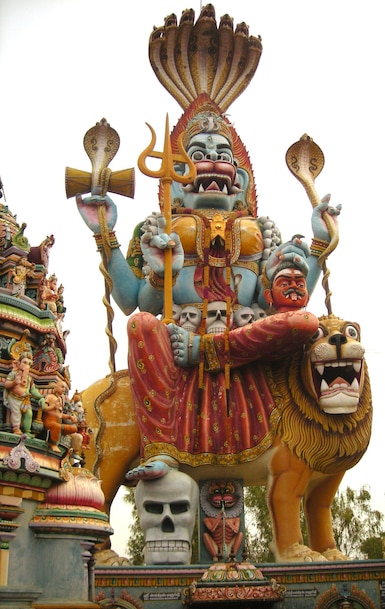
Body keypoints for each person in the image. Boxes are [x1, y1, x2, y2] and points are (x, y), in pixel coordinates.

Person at [75, 99, 340, 474]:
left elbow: (289, 299)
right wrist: (111, 237)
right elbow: (133, 301)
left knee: (304, 325)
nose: (213, 161)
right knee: (140, 327)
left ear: (241, 178)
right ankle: (161, 448)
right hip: (176, 347)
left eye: (223, 155)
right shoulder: (160, 226)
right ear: (179, 175)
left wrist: (316, 245)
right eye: (198, 153)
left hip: (245, 349)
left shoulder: (261, 232)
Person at [3, 351, 46, 435]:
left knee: (29, 413)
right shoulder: (13, 374)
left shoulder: (29, 379)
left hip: (25, 399)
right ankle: (16, 429)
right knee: (16, 413)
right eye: (25, 362)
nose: (27, 366)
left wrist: (41, 397)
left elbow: (33, 390)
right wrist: (14, 383)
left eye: (29, 364)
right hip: (14, 397)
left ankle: (27, 431)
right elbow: (6, 384)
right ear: (18, 363)